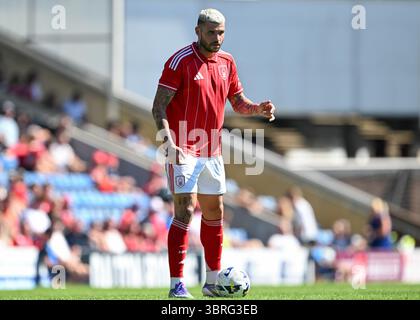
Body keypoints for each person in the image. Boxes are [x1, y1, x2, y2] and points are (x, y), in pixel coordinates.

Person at [152, 8, 276, 298]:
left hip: (212, 151)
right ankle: (176, 286)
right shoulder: (179, 62)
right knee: (185, 210)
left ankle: (211, 283)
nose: (217, 38)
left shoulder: (227, 62)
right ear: (198, 32)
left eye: (221, 32)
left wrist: (257, 108)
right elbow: (158, 106)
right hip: (182, 149)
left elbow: (237, 101)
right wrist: (168, 142)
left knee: (215, 211)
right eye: (211, 32)